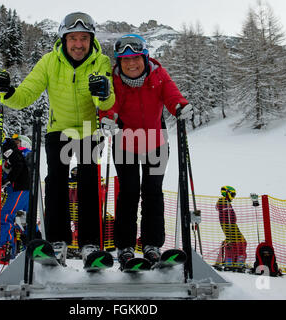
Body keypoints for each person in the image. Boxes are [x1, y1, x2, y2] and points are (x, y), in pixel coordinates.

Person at [0, 12, 115, 268]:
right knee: (56, 178)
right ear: (64, 40)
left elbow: (107, 100)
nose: (78, 44)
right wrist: (7, 92)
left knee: (89, 179)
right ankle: (58, 241)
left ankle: (90, 245)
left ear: (90, 40)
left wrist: (102, 94)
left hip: (89, 129)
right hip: (59, 128)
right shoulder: (49, 62)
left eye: (83, 38)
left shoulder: (100, 61)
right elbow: (25, 94)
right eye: (73, 39)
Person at [101, 34, 190, 270]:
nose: (131, 64)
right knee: (128, 193)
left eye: (135, 58)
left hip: (156, 142)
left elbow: (171, 94)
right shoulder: (114, 80)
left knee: (152, 193)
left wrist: (180, 105)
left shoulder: (158, 74)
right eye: (125, 60)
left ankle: (152, 245)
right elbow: (110, 105)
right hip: (125, 142)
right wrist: (108, 118)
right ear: (119, 63)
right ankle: (125, 247)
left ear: (144, 57)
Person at [0, 126, 30, 262]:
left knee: (5, 215)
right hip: (18, 189)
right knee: (23, 220)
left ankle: (4, 249)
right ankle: (31, 246)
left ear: (1, 137)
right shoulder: (0, 150)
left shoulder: (6, 148)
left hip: (19, 188)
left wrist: (7, 180)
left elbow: (19, 164)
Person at [215, 186, 247, 271]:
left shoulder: (225, 201)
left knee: (232, 242)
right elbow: (220, 208)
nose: (233, 197)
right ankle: (238, 261)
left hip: (230, 225)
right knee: (242, 242)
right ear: (227, 193)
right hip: (229, 225)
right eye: (232, 194)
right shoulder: (223, 201)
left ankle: (230, 261)